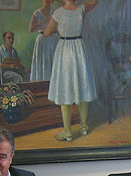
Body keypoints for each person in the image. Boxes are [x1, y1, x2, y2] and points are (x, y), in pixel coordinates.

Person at [44, 0, 98, 142]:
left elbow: (46, 32)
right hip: (79, 49)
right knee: (82, 87)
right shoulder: (81, 9)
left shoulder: (58, 13)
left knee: (65, 88)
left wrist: (58, 29)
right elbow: (95, 1)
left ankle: (67, 131)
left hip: (65, 50)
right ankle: (84, 126)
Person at [29, 0, 59, 81]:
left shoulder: (55, 11)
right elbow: (31, 29)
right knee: (43, 62)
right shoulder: (37, 13)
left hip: (53, 39)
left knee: (53, 61)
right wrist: (46, 20)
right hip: (42, 39)